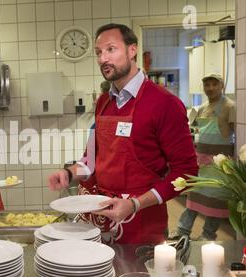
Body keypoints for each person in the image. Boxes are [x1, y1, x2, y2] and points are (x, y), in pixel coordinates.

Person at [48, 23, 198, 244]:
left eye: (111, 49)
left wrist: (135, 204)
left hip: (141, 222)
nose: (102, 59)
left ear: (132, 50)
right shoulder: (103, 102)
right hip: (98, 219)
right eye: (99, 53)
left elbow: (186, 173)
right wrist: (69, 174)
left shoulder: (164, 103)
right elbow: (91, 160)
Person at [169, 73, 236, 241]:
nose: (211, 88)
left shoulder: (230, 106)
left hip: (220, 163)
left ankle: (208, 234)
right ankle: (182, 230)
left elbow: (237, 133)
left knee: (215, 202)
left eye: (215, 84)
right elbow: (192, 129)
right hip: (202, 161)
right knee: (193, 197)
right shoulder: (201, 108)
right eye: (207, 85)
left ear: (222, 86)